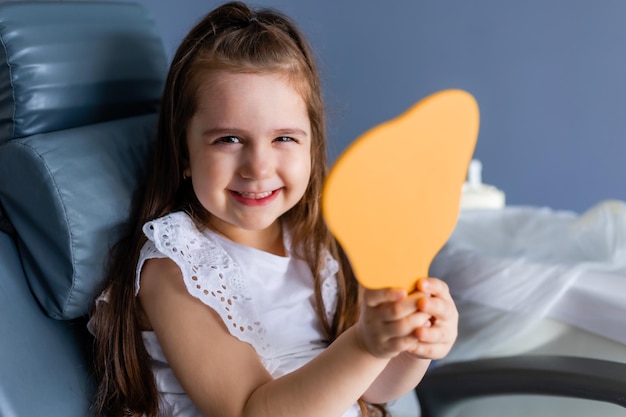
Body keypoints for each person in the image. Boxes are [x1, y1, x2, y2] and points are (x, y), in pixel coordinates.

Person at [89, 2, 458, 416]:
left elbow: (371, 388)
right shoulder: (174, 270)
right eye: (229, 139)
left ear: (312, 147)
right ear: (185, 153)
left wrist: (409, 346)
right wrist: (364, 344)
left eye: (284, 138)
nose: (258, 167)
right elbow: (253, 410)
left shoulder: (310, 244)